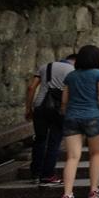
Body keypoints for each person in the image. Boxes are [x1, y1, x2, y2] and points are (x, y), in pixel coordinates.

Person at [59, 45, 99, 198]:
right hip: (92, 116)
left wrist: (66, 112)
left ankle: (67, 194)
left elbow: (64, 100)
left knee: (72, 157)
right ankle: (93, 190)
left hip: (72, 117)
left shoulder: (71, 76)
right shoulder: (98, 74)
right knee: (95, 154)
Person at [25, 53, 75, 187]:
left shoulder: (44, 67)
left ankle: (35, 173)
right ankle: (47, 175)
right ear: (74, 61)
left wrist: (28, 108)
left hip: (40, 106)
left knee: (40, 139)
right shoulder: (72, 71)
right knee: (54, 141)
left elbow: (31, 87)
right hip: (59, 109)